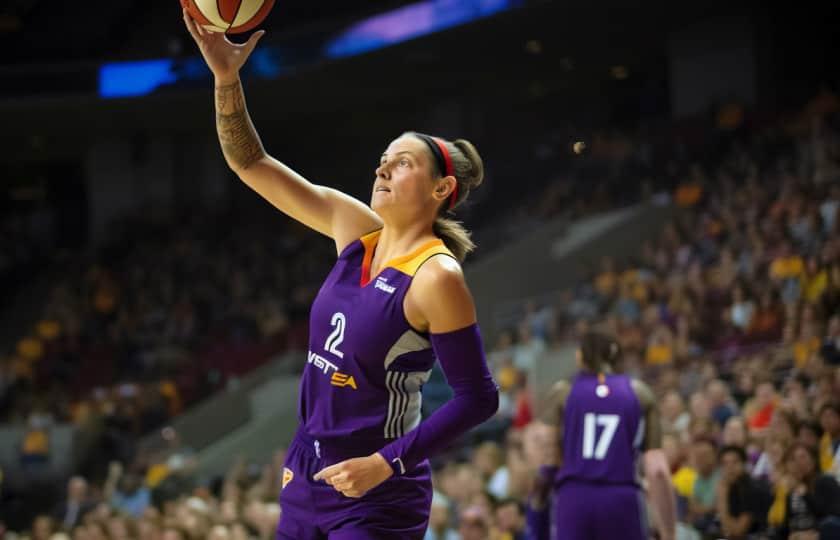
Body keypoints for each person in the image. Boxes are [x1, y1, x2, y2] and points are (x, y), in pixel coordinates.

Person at [182, 12, 499, 539]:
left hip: (376, 489)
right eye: (383, 159)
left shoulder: (436, 276)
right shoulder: (355, 231)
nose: (382, 169)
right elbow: (250, 162)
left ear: (442, 190)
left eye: (401, 164)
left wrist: (387, 462)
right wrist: (226, 80)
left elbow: (478, 398)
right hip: (306, 471)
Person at [524, 331, 677, 540]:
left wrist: (539, 503)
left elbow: (549, 460)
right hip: (621, 498)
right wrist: (668, 532)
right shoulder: (639, 392)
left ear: (580, 357)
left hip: (574, 498)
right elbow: (658, 470)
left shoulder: (563, 392)